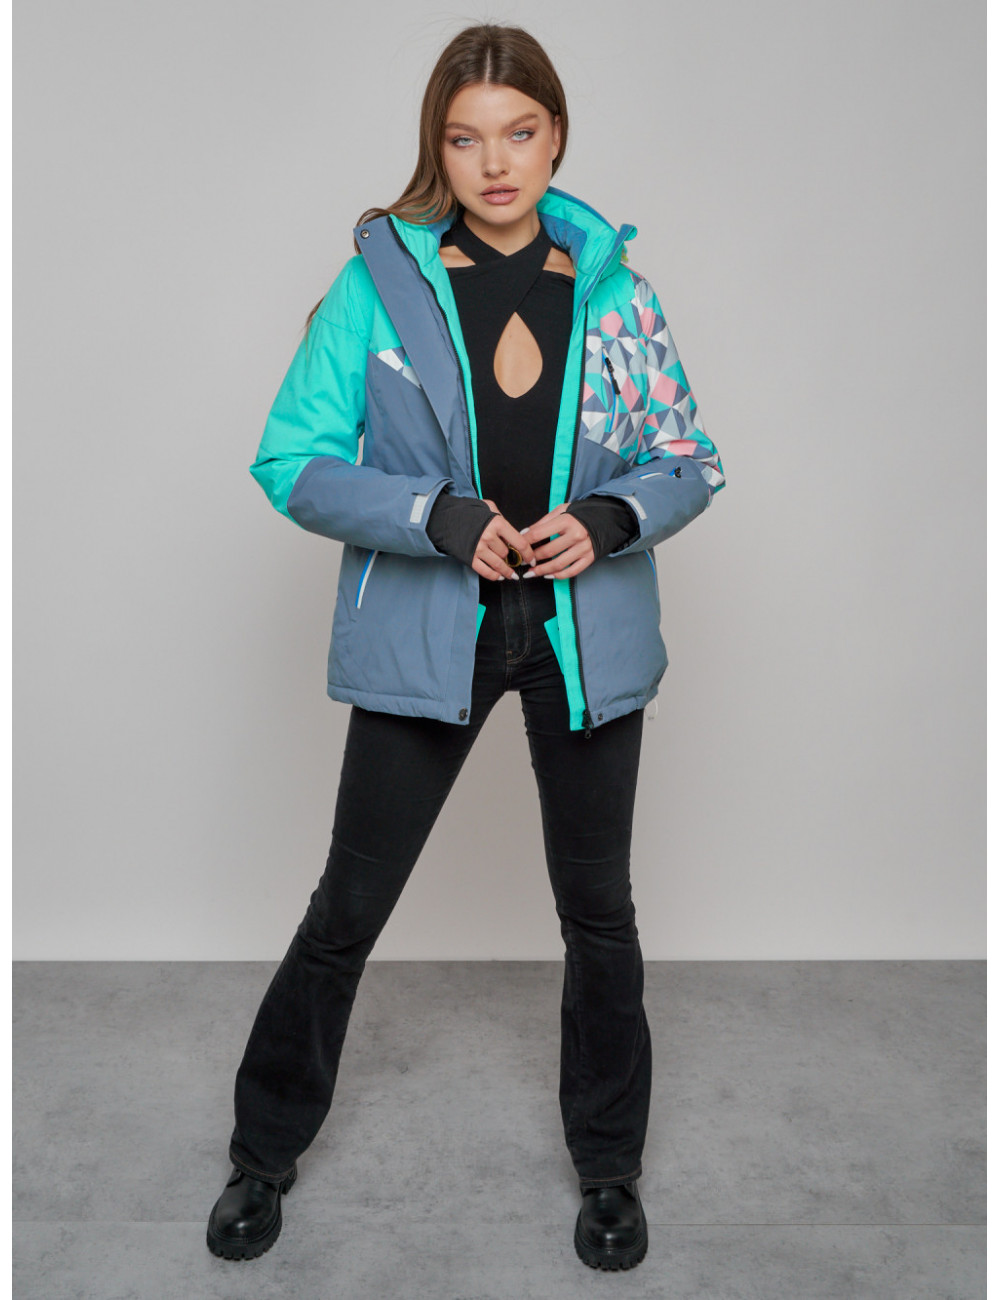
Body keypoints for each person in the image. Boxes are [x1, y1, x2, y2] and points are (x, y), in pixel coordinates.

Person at [206, 22, 725, 1273]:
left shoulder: (618, 295)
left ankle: (609, 1171)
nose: (495, 163)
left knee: (599, 914)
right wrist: (432, 516)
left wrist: (612, 518)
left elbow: (687, 456)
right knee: (347, 907)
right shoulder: (376, 291)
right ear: (436, 148)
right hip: (428, 631)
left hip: (580, 637)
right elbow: (290, 459)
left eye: (519, 132)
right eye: (465, 138)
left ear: (556, 137)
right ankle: (260, 1154)